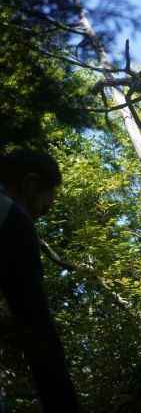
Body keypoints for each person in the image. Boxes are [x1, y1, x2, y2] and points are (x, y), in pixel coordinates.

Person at [0, 149, 81, 412]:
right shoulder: (11, 216)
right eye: (42, 209)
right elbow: (34, 326)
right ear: (30, 183)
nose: (36, 218)